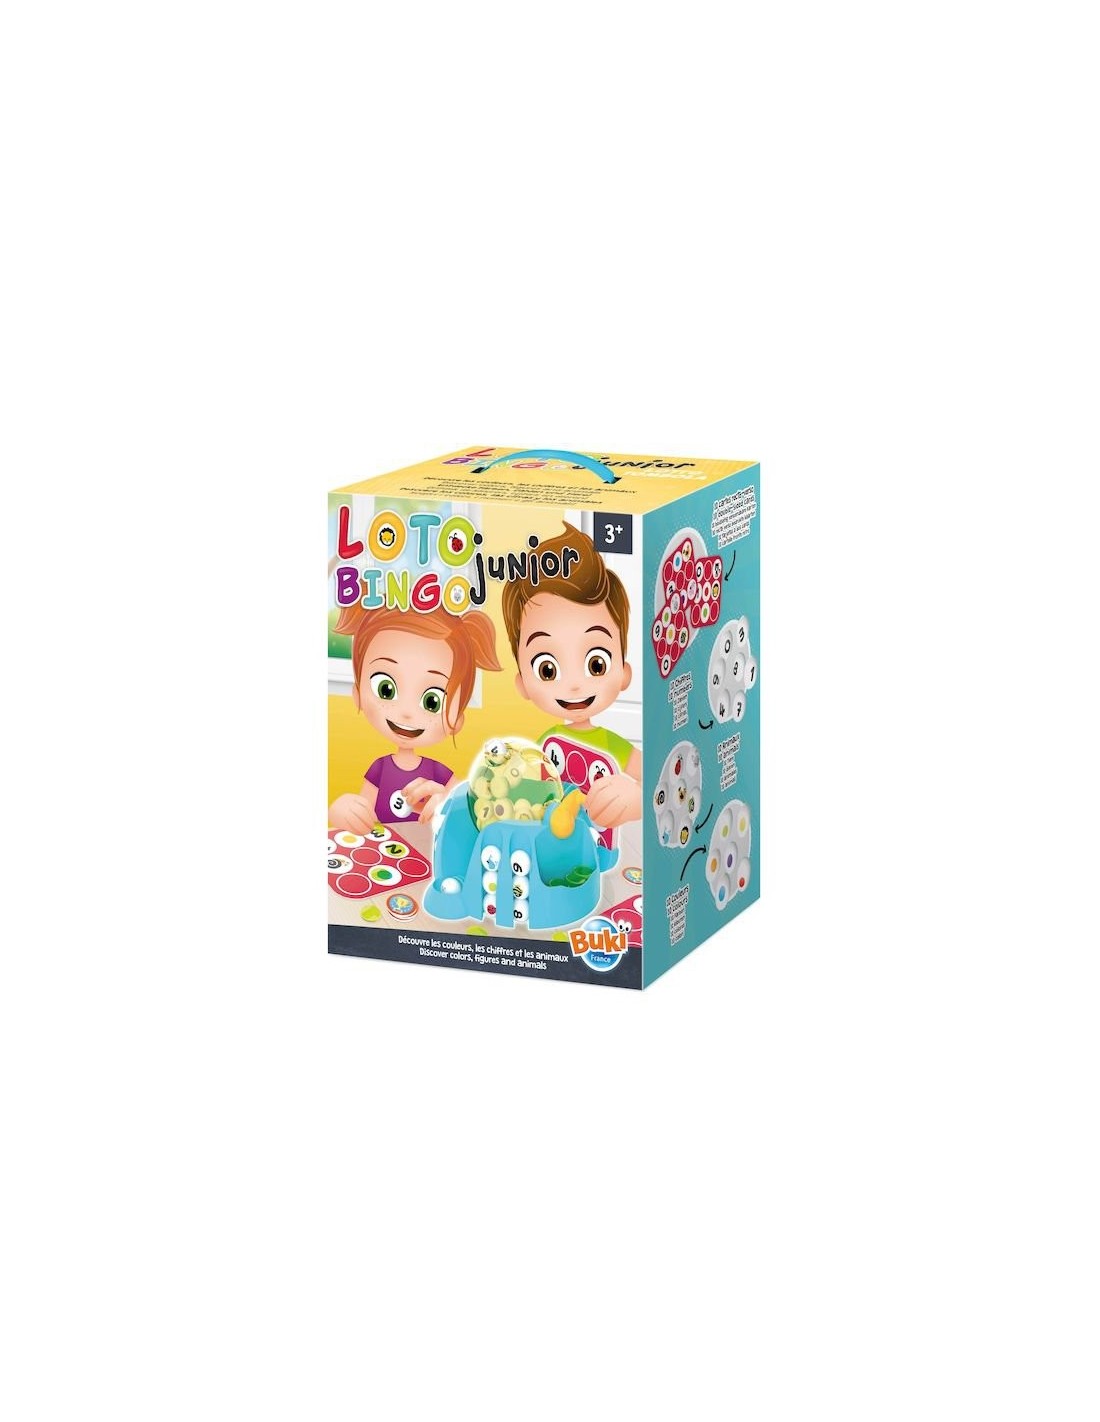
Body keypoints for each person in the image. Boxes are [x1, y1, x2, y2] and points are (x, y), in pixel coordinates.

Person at [501, 523, 641, 829]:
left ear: (624, 674)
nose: (575, 685)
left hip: (598, 846)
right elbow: (525, 786)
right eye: (548, 670)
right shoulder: (548, 742)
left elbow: (659, 780)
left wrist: (637, 800)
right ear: (523, 683)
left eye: (596, 665)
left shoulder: (609, 744)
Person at [328, 604, 501, 829]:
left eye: (432, 701)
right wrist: (343, 811)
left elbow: (475, 811)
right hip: (387, 847)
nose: (407, 713)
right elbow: (363, 816)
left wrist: (448, 806)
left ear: (457, 720)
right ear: (358, 694)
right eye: (386, 689)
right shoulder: (379, 769)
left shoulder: (438, 773)